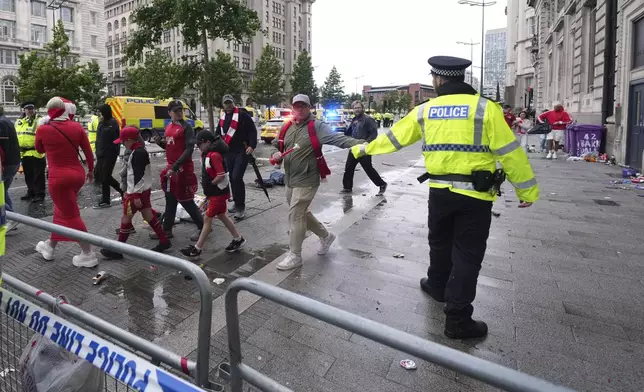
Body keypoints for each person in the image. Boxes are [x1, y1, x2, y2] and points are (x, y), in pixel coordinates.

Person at [351, 56, 539, 339]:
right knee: (467, 254)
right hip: (476, 196)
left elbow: (393, 139)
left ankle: (438, 286)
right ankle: (458, 319)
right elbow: (509, 151)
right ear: (461, 77)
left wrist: (362, 150)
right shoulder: (486, 109)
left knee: (439, 243)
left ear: (438, 80)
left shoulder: (425, 110)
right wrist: (526, 190)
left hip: (439, 193)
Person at [270, 94, 364, 271]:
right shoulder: (287, 125)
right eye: (296, 106)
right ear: (292, 108)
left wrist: (365, 144)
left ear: (309, 107)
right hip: (290, 178)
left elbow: (339, 139)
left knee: (296, 214)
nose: (300, 109)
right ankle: (326, 236)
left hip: (308, 179)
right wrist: (275, 153)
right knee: (301, 213)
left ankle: (295, 255)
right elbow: (277, 144)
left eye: (303, 106)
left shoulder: (317, 126)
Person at [34, 97, 97, 268]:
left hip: (58, 178)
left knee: (71, 215)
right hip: (77, 175)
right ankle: (49, 247)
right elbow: (88, 153)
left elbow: (39, 149)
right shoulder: (77, 127)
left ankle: (88, 253)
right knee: (61, 209)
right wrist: (90, 170)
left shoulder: (43, 129)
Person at [100, 127, 171, 259]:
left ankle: (119, 249)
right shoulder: (139, 151)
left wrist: (134, 194)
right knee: (148, 215)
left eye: (123, 141)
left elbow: (138, 175)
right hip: (143, 191)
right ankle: (164, 240)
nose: (122, 144)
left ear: (129, 140)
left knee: (126, 219)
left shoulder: (137, 153)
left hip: (137, 192)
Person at [180, 131, 245, 257]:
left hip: (218, 193)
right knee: (221, 216)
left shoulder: (213, 155)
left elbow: (221, 175)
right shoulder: (207, 154)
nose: (198, 147)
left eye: (199, 144)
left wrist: (210, 184)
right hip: (216, 192)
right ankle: (238, 239)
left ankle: (197, 249)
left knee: (207, 218)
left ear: (208, 142)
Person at [152, 100, 203, 241]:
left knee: (186, 200)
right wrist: (160, 143)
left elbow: (189, 149)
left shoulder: (187, 127)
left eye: (181, 110)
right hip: (171, 170)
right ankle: (166, 230)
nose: (180, 113)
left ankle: (203, 227)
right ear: (169, 113)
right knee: (170, 199)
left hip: (183, 170)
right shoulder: (169, 126)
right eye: (176, 111)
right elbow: (170, 146)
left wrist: (175, 167)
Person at [216, 94, 258, 221]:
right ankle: (236, 202)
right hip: (228, 152)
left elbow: (252, 131)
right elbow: (218, 134)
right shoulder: (223, 118)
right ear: (223, 105)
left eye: (230, 102)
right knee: (232, 179)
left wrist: (252, 145)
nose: (228, 105)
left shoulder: (242, 115)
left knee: (236, 177)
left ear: (233, 103)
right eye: (225, 103)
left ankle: (240, 207)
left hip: (241, 150)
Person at [341, 100, 387, 195]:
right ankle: (347, 187)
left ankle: (382, 184)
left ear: (362, 108)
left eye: (358, 107)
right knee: (349, 168)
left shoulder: (368, 119)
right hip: (354, 148)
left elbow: (374, 133)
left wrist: (367, 143)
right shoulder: (354, 120)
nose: (357, 109)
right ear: (353, 109)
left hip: (364, 149)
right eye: (355, 108)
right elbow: (349, 132)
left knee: (368, 168)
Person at [94, 104, 123, 208]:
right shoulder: (101, 123)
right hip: (101, 154)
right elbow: (98, 139)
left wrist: (114, 150)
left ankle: (122, 192)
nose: (98, 114)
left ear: (105, 112)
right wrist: (97, 152)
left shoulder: (113, 123)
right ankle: (106, 200)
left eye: (100, 112)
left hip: (110, 154)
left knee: (106, 176)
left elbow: (117, 139)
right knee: (103, 177)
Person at [15, 102, 46, 203]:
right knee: (28, 175)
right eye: (27, 109)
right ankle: (31, 192)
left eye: (31, 108)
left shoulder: (39, 120)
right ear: (23, 110)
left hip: (37, 152)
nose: (30, 110)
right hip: (24, 153)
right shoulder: (19, 121)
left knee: (39, 175)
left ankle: (40, 194)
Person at [0, 106, 20, 231]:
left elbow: (3, 147)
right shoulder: (5, 120)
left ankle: (13, 218)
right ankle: (11, 219)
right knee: (3, 191)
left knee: (1, 192)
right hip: (12, 162)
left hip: (6, 164)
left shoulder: (1, 122)